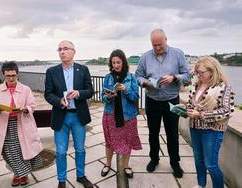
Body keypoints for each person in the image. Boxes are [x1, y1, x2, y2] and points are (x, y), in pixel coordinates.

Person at [135, 28, 190, 178]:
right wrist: (146, 82)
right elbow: (137, 76)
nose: (157, 48)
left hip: (171, 100)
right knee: (153, 133)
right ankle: (154, 159)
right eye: (154, 45)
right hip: (152, 101)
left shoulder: (178, 54)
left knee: (172, 134)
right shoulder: (145, 57)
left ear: (166, 39)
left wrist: (174, 78)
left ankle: (174, 163)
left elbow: (187, 75)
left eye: (160, 44)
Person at [44, 40, 94, 188]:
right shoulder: (52, 71)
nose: (62, 52)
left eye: (65, 48)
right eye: (59, 49)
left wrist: (78, 93)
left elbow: (90, 91)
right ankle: (61, 180)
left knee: (80, 149)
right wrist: (59, 101)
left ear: (73, 51)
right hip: (61, 116)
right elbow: (48, 94)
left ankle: (81, 176)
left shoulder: (83, 69)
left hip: (78, 116)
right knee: (60, 152)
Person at [0, 61, 43, 186]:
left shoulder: (25, 89)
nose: (11, 78)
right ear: (3, 75)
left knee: (22, 150)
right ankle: (18, 173)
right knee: (9, 152)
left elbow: (32, 105)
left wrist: (25, 109)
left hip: (22, 124)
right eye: (8, 76)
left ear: (18, 74)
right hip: (4, 126)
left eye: (14, 75)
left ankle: (21, 175)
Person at [185, 56, 235, 188]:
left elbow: (227, 111)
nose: (198, 75)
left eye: (201, 72)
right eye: (196, 72)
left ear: (212, 71)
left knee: (211, 164)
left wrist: (201, 115)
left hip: (212, 131)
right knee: (198, 160)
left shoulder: (223, 87)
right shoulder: (197, 85)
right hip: (194, 127)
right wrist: (185, 109)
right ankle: (201, 185)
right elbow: (191, 103)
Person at [101, 49, 142, 178]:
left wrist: (126, 89)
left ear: (123, 62)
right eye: (113, 63)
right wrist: (108, 96)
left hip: (128, 116)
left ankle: (126, 165)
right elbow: (103, 96)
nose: (116, 65)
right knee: (109, 141)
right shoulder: (108, 77)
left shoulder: (131, 77)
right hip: (110, 114)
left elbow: (136, 96)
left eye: (118, 62)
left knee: (127, 141)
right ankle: (107, 164)